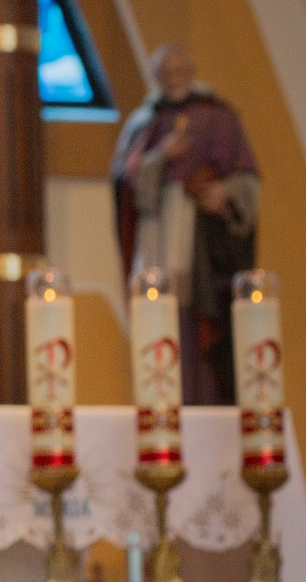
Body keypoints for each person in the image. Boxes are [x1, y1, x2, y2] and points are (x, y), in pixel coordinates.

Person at [110, 43, 260, 404]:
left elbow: (248, 180)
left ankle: (205, 398)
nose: (173, 78)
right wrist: (161, 156)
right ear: (157, 77)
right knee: (159, 314)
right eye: (166, 72)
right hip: (157, 233)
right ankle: (160, 401)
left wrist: (224, 192)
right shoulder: (144, 122)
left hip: (202, 244)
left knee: (201, 322)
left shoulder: (219, 117)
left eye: (179, 70)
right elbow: (125, 182)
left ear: (191, 72)